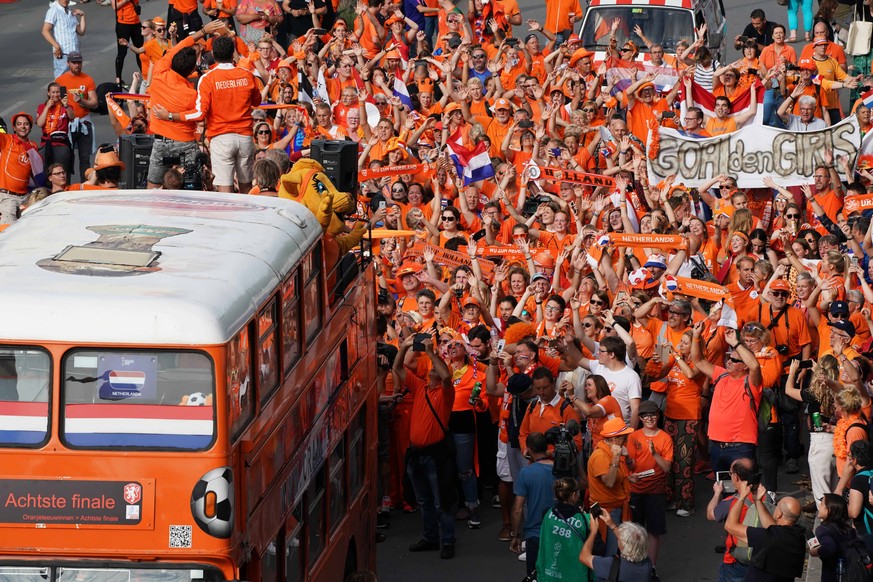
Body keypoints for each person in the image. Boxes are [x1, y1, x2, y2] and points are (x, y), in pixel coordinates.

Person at [154, 35, 262, 193]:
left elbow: (199, 113)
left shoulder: (207, 79)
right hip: (245, 137)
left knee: (225, 188)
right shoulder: (247, 75)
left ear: (213, 55)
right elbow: (257, 101)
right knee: (246, 187)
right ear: (233, 53)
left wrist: (171, 116)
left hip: (221, 137)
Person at [392, 332, 458, 560]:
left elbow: (447, 377)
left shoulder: (446, 392)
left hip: (435, 454)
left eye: (435, 366)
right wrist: (405, 346)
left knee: (441, 501)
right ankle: (431, 538)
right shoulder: (420, 387)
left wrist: (431, 351)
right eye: (430, 364)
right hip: (417, 453)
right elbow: (398, 368)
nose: (431, 367)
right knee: (424, 501)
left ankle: (447, 540)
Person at [146, 20, 225, 189]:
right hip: (185, 144)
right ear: (190, 72)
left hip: (161, 142)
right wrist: (171, 116)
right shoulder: (191, 95)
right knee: (194, 187)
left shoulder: (160, 70)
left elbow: (180, 45)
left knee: (152, 188)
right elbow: (199, 114)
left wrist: (203, 31)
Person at [691, 323, 763, 472]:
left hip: (740, 447)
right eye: (729, 358)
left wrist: (735, 343)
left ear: (744, 366)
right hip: (716, 446)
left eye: (735, 360)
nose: (729, 361)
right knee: (722, 489)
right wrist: (696, 337)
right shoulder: (721, 374)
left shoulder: (751, 382)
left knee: (743, 489)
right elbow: (698, 361)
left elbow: (755, 366)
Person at [724, 483, 806, 582]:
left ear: (779, 514)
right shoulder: (798, 537)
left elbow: (730, 526)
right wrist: (758, 501)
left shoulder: (767, 538)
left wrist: (741, 497)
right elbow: (773, 528)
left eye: (777, 507)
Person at [626, 400, 672, 566]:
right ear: (640, 418)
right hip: (635, 489)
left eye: (652, 415)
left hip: (656, 491)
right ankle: (635, 565)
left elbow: (666, 468)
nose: (650, 418)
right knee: (634, 531)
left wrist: (654, 454)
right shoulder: (633, 436)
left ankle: (651, 567)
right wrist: (626, 459)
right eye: (645, 416)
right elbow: (631, 464)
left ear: (658, 416)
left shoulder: (665, 438)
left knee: (654, 532)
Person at [511, 431, 556, 579]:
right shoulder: (559, 469)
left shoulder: (526, 473)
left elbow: (517, 510)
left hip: (535, 535)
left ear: (529, 450)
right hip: (557, 532)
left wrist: (516, 535)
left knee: (534, 576)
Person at [588, 417, 634, 557]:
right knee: (611, 551)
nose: (626, 441)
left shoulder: (613, 452)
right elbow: (609, 482)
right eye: (623, 438)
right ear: (614, 439)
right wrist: (615, 459)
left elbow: (620, 476)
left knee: (619, 548)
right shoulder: (601, 455)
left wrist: (628, 476)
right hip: (608, 512)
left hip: (617, 508)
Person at [535, 477, 593, 582]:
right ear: (574, 495)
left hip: (548, 575)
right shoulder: (585, 520)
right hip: (576, 577)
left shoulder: (547, 514)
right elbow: (599, 548)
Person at [54, 52, 98, 180]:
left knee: (85, 159)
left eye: (79, 62)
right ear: (68, 63)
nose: (77, 65)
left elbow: (94, 103)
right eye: (74, 62)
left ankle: (85, 186)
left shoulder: (87, 79)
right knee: (66, 158)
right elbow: (58, 102)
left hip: (84, 123)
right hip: (67, 125)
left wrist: (82, 101)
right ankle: (65, 186)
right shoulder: (61, 80)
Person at [580, 514, 654, 581]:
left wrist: (593, 532)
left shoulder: (610, 565)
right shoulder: (646, 563)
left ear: (621, 547)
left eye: (619, 539)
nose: (618, 538)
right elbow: (632, 541)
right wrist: (612, 525)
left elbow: (584, 557)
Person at [0, 113, 41, 224]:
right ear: (14, 127)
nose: (22, 127)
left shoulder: (33, 146)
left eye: (26, 124)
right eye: (19, 124)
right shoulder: (6, 140)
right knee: (7, 230)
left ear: (30, 127)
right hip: (8, 197)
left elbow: (37, 173)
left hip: (27, 197)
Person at [812, 493, 860, 582]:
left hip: (833, 575)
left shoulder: (823, 530)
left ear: (829, 510)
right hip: (852, 573)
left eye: (822, 504)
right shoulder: (849, 530)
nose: (819, 506)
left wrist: (815, 551)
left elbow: (829, 548)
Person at [36, 82, 74, 177]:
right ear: (48, 93)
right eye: (53, 92)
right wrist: (47, 107)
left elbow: (72, 117)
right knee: (45, 172)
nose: (55, 95)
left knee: (62, 172)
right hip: (46, 144)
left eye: (58, 92)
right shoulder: (42, 107)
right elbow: (40, 123)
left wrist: (66, 106)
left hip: (61, 144)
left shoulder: (66, 106)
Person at [43, 0, 87, 79]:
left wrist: (82, 16)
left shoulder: (70, 11)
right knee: (61, 80)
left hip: (75, 53)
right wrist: (57, 46)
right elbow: (45, 31)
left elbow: (81, 31)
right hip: (63, 53)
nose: (65, 0)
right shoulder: (54, 10)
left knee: (75, 80)